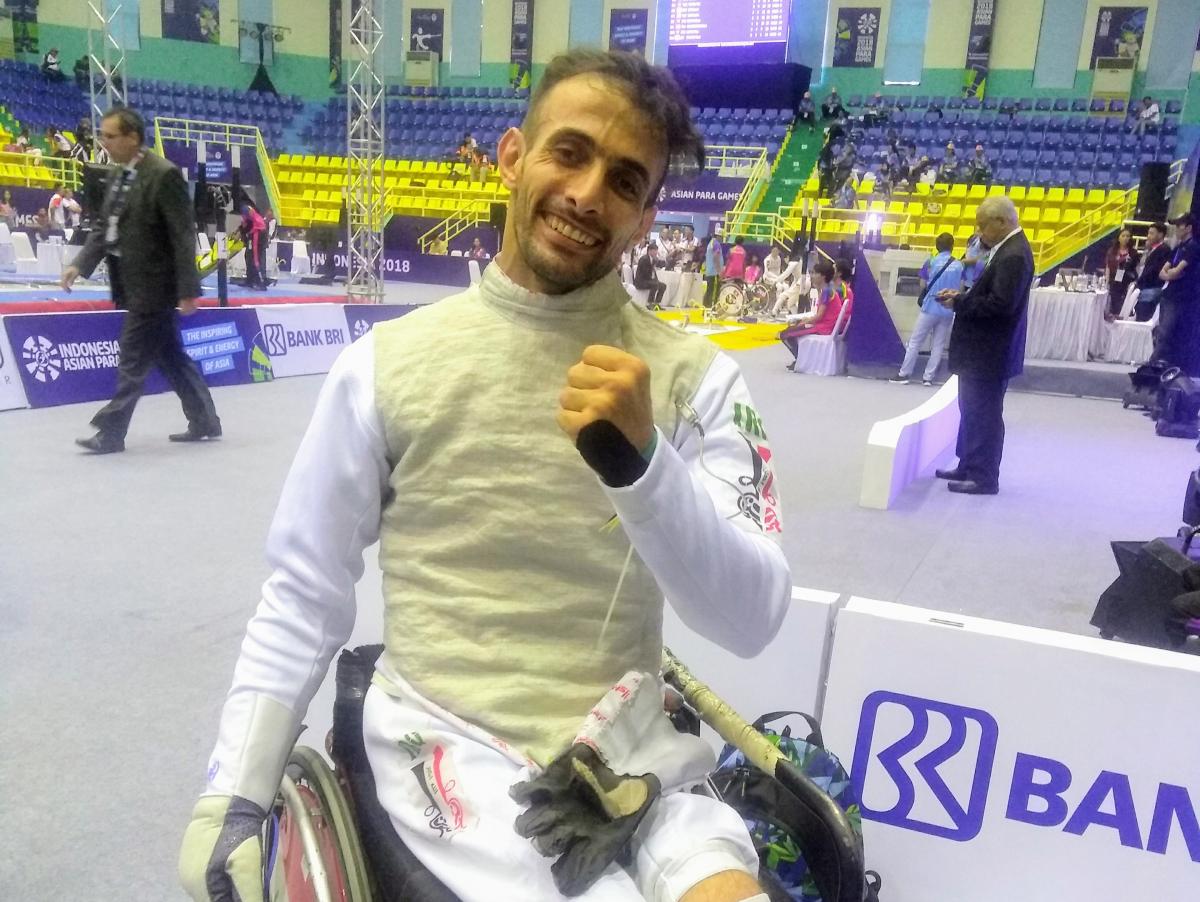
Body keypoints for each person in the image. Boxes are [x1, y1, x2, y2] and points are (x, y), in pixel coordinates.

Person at [179, 48, 787, 902]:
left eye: (623, 180)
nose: (585, 195)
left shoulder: (696, 380)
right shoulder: (384, 365)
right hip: (445, 744)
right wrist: (235, 791)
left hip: (631, 746)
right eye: (568, 153)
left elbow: (752, 616)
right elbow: (305, 592)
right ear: (513, 156)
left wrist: (646, 469)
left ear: (646, 216)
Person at [63, 107, 221, 454]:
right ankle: (205, 419)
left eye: (109, 136)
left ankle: (111, 431)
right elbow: (106, 227)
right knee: (171, 356)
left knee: (132, 359)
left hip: (155, 286)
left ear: (132, 137)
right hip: (130, 283)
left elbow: (182, 234)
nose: (103, 142)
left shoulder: (163, 175)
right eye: (102, 135)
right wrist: (80, 264)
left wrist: (188, 289)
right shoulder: (119, 174)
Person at [934, 196, 1033, 495]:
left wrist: (961, 301)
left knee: (984, 415)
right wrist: (964, 295)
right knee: (972, 411)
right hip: (983, 353)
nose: (979, 232)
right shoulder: (1006, 250)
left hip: (989, 353)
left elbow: (1000, 305)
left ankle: (983, 476)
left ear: (1002, 222)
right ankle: (968, 464)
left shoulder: (1013, 255)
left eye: (983, 225)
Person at [891, 232, 964, 386]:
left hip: (930, 306)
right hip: (948, 307)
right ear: (952, 247)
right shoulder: (959, 265)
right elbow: (961, 287)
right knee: (938, 344)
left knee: (915, 341)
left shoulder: (931, 261)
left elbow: (922, 285)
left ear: (937, 246)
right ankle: (928, 378)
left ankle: (904, 374)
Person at [1153, 212, 1199, 372]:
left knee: (1167, 332)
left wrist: (1170, 274)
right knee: (1162, 330)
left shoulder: (1193, 247)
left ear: (1188, 228)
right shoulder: (1178, 247)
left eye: (1179, 226)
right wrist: (1170, 274)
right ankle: (1157, 362)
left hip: (1180, 297)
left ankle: (1157, 363)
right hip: (1169, 295)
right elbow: (1163, 272)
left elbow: (1175, 271)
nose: (1177, 229)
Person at [779, 259, 842, 370]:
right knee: (794, 328)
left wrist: (804, 322)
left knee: (786, 334)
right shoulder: (827, 289)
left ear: (823, 276)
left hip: (824, 327)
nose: (812, 276)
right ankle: (801, 359)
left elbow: (819, 316)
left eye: (814, 273)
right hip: (826, 325)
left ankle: (801, 359)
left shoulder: (827, 291)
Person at [1135, 221, 1171, 322]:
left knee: (1143, 318)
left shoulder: (1164, 250)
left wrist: (1138, 282)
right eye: (1148, 233)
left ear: (1160, 234)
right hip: (1145, 288)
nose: (1148, 236)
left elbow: (1153, 270)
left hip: (1151, 288)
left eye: (1152, 233)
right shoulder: (1152, 249)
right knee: (1140, 315)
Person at [1104, 228, 1140, 320]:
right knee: (1113, 302)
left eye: (1127, 236)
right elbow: (1108, 266)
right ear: (1118, 238)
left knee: (1124, 303)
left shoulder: (1133, 252)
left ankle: (1121, 319)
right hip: (1114, 280)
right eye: (1123, 236)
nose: (1125, 238)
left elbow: (1137, 268)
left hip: (1127, 281)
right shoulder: (1112, 251)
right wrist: (1106, 281)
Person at [238, 201, 268, 290]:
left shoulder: (255, 219)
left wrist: (247, 233)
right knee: (249, 256)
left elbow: (254, 229)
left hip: (259, 235)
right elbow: (245, 226)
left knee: (256, 258)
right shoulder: (250, 215)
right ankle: (250, 280)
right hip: (255, 234)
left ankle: (260, 281)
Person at [633, 242, 668, 307]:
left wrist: (662, 261)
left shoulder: (653, 259)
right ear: (649, 251)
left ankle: (657, 304)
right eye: (654, 250)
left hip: (648, 281)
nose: (656, 252)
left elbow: (661, 264)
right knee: (655, 284)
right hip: (641, 281)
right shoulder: (644, 259)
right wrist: (653, 265)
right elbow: (645, 274)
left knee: (663, 286)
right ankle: (650, 303)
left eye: (656, 250)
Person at [703, 232, 723, 307]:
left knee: (709, 290)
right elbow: (716, 257)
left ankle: (706, 306)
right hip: (714, 272)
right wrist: (719, 271)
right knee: (714, 291)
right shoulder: (716, 243)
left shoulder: (710, 243)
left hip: (710, 270)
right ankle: (713, 307)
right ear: (718, 236)